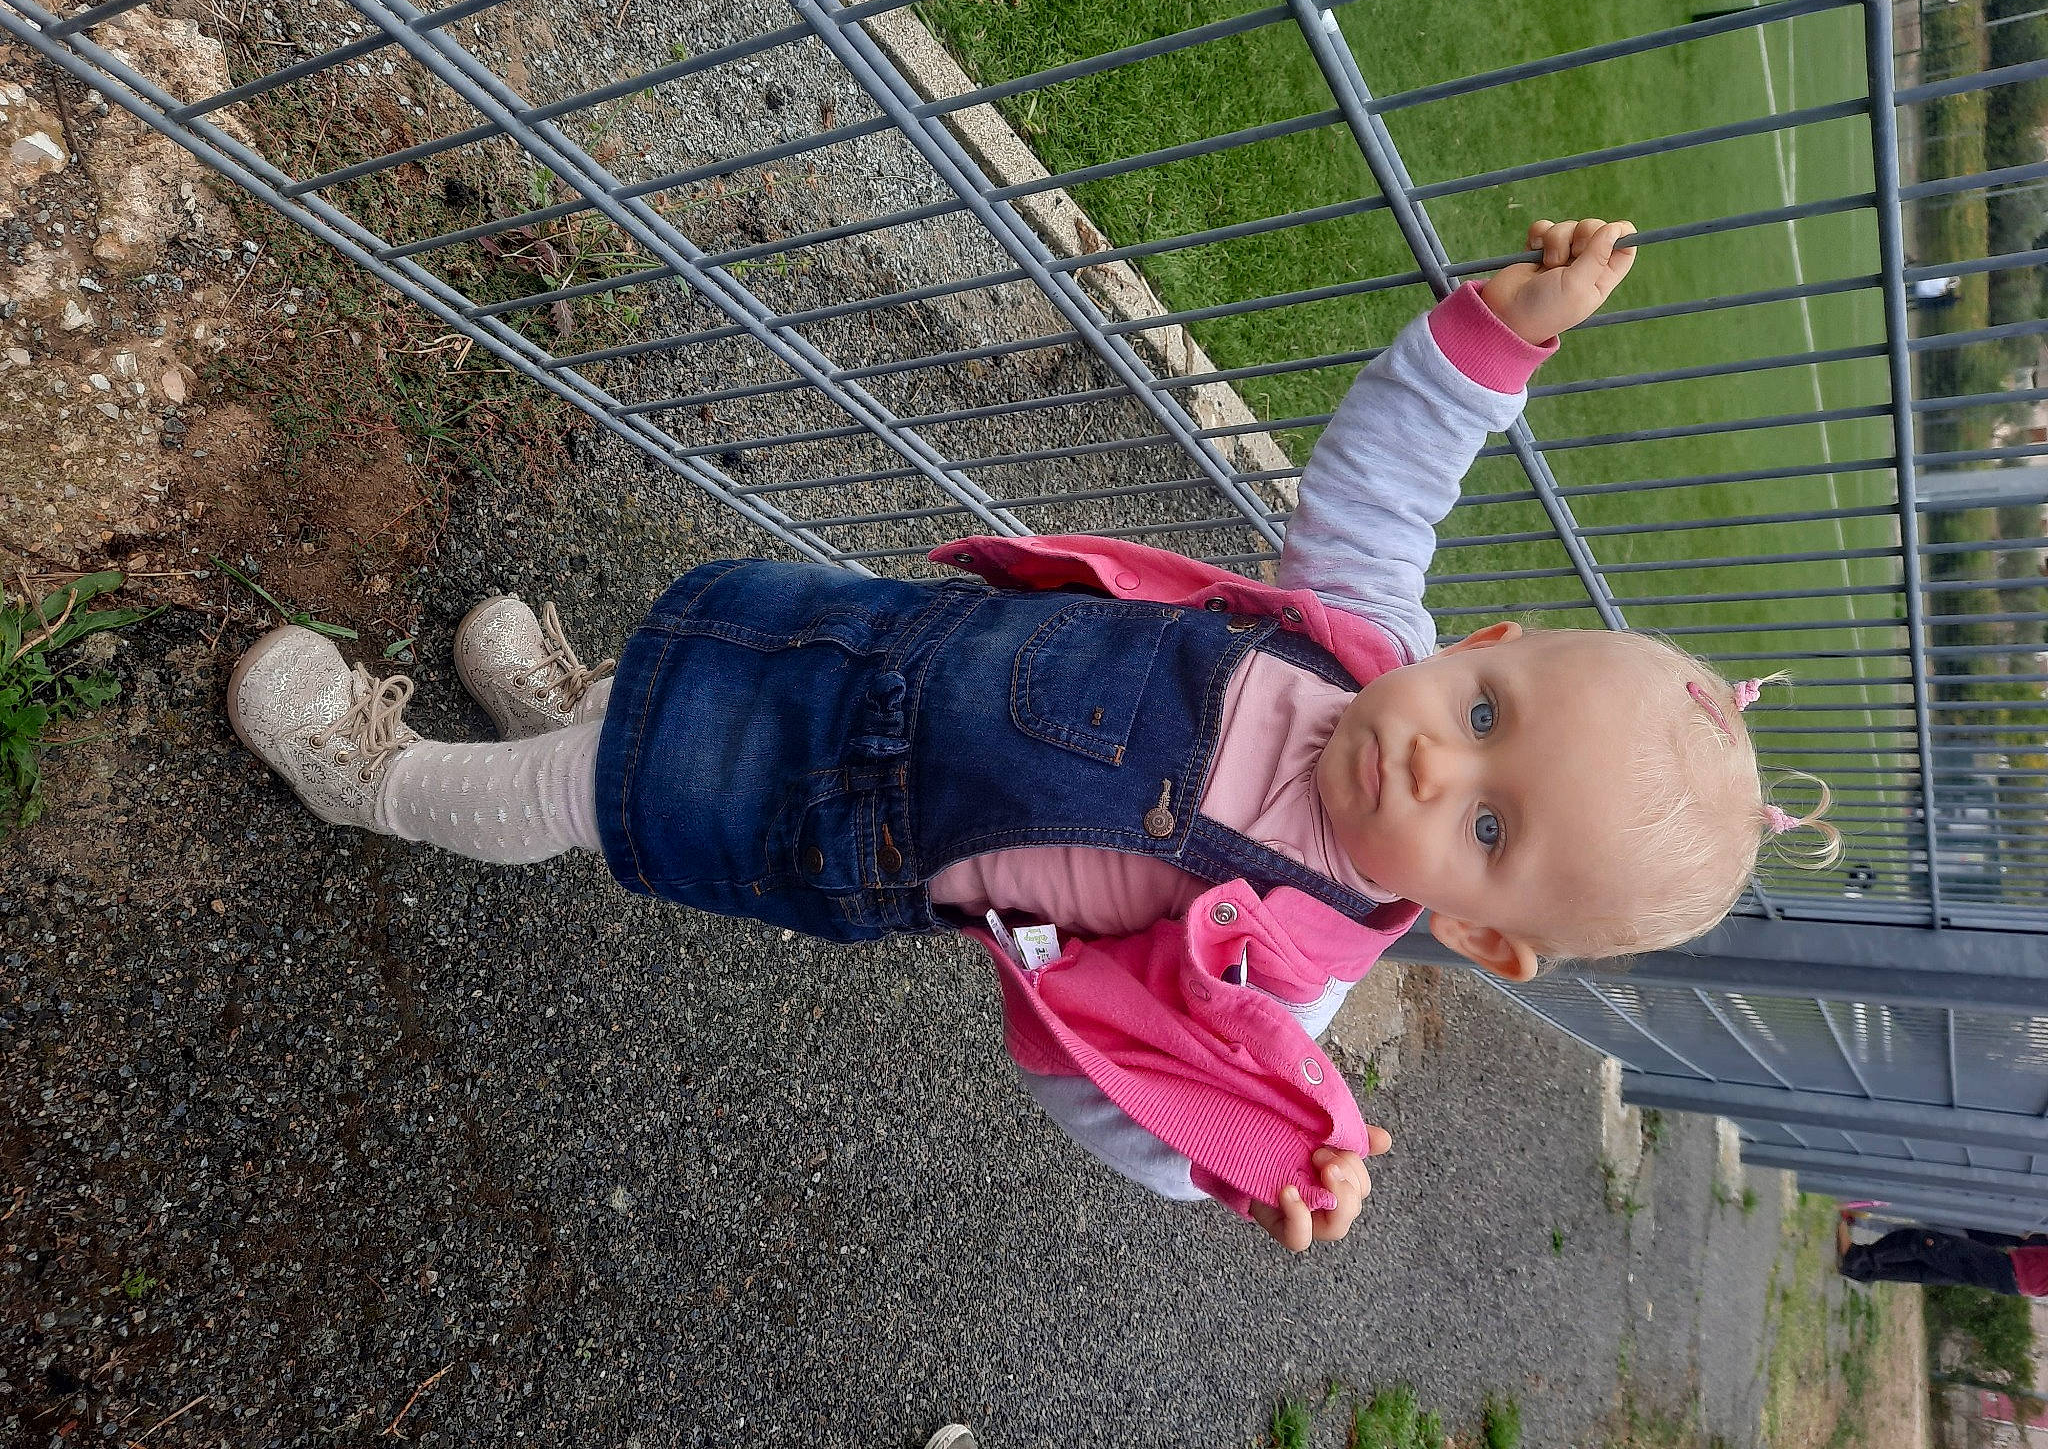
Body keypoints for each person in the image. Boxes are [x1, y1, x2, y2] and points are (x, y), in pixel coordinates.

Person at [226, 218, 1840, 1250]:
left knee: (612, 792)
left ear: (1481, 934)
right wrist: (1491, 337)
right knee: (686, 680)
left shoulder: (1284, 965)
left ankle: (386, 782)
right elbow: (1384, 482)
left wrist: (1261, 1149)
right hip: (882, 649)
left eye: (1486, 824)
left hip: (854, 815)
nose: (1434, 758)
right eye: (1484, 714)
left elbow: (1122, 1084)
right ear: (1481, 648)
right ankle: (585, 710)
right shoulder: (1362, 644)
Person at [1837, 1210, 2048, 1295]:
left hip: (2006, 1270)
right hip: (2011, 1280)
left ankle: (1854, 1258)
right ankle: (1863, 1271)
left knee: (1922, 1243)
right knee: (1928, 1270)